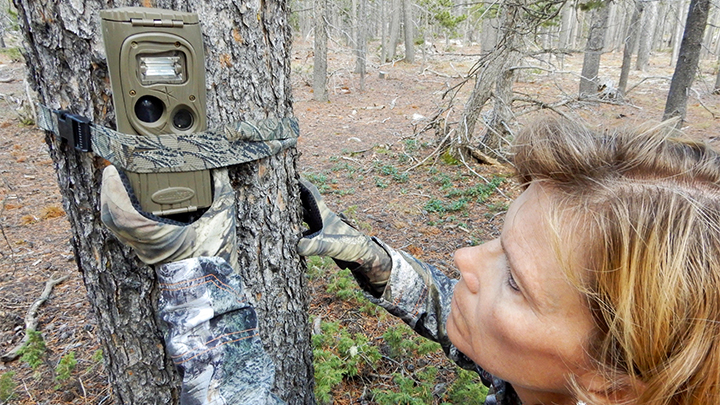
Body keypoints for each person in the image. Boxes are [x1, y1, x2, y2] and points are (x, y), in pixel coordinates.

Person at [100, 117, 720, 405]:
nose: (464, 260)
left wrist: (193, 275)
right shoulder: (563, 385)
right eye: (497, 241)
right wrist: (369, 257)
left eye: (518, 285)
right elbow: (466, 316)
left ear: (611, 387)